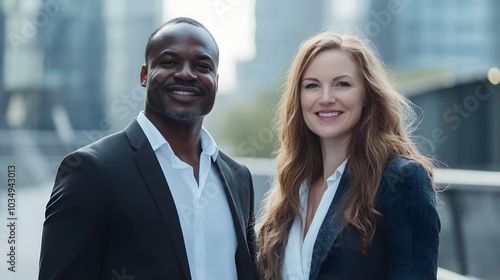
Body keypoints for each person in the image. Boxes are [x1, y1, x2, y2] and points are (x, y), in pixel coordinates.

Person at [39, 17, 257, 280]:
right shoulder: (92, 172)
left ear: (216, 81)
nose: (187, 74)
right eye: (169, 62)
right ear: (144, 75)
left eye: (202, 66)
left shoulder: (238, 178)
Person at [256, 32, 441, 280]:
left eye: (342, 84)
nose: (326, 98)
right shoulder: (291, 188)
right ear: (298, 99)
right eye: (312, 86)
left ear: (366, 95)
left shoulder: (401, 180)